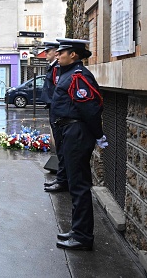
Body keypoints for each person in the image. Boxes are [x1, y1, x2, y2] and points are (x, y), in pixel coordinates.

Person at [52, 38, 106, 251]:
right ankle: (78, 230)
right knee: (76, 185)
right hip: (70, 132)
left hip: (77, 133)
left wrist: (99, 135)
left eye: (61, 52)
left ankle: (83, 236)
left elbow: (90, 109)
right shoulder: (69, 74)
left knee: (79, 185)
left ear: (73, 54)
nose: (57, 55)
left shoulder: (79, 77)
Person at [39, 42, 68, 193]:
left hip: (57, 110)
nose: (46, 54)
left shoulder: (58, 68)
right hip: (53, 108)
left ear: (56, 51)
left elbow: (57, 89)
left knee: (62, 147)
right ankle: (62, 178)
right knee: (60, 147)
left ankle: (63, 180)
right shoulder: (54, 66)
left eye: (48, 51)